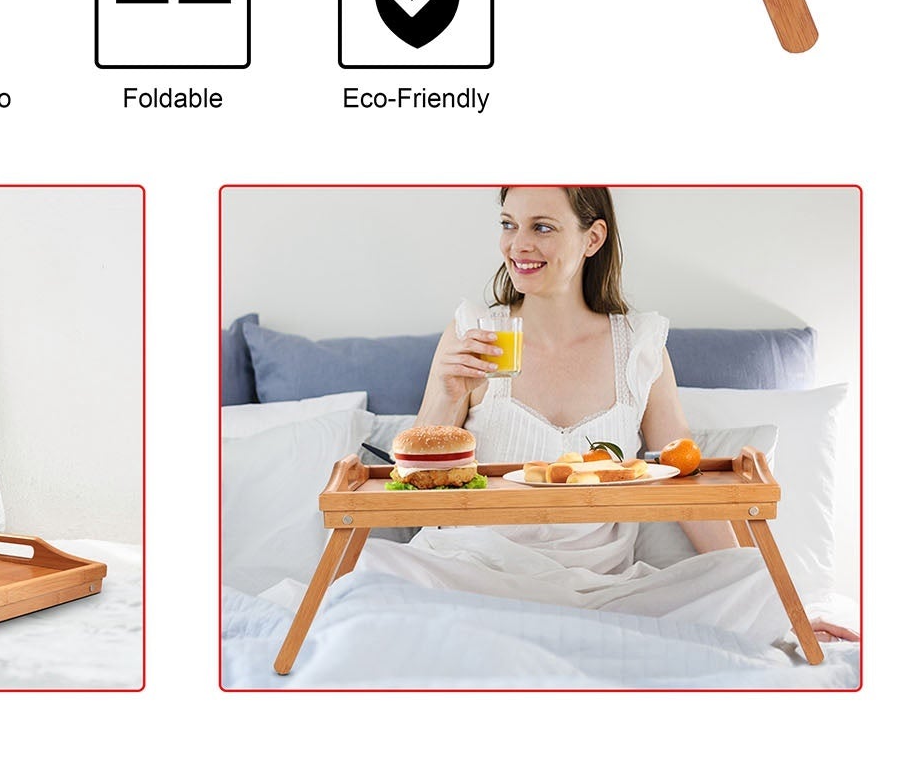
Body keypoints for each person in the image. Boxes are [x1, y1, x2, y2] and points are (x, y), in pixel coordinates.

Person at [357, 186, 857, 645]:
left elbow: (686, 484)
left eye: (542, 227)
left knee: (750, 577)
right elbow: (413, 491)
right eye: (508, 224)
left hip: (603, 593)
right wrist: (447, 394)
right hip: (472, 575)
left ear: (593, 237)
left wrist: (782, 608)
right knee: (370, 574)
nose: (518, 245)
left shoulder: (639, 347)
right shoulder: (474, 333)